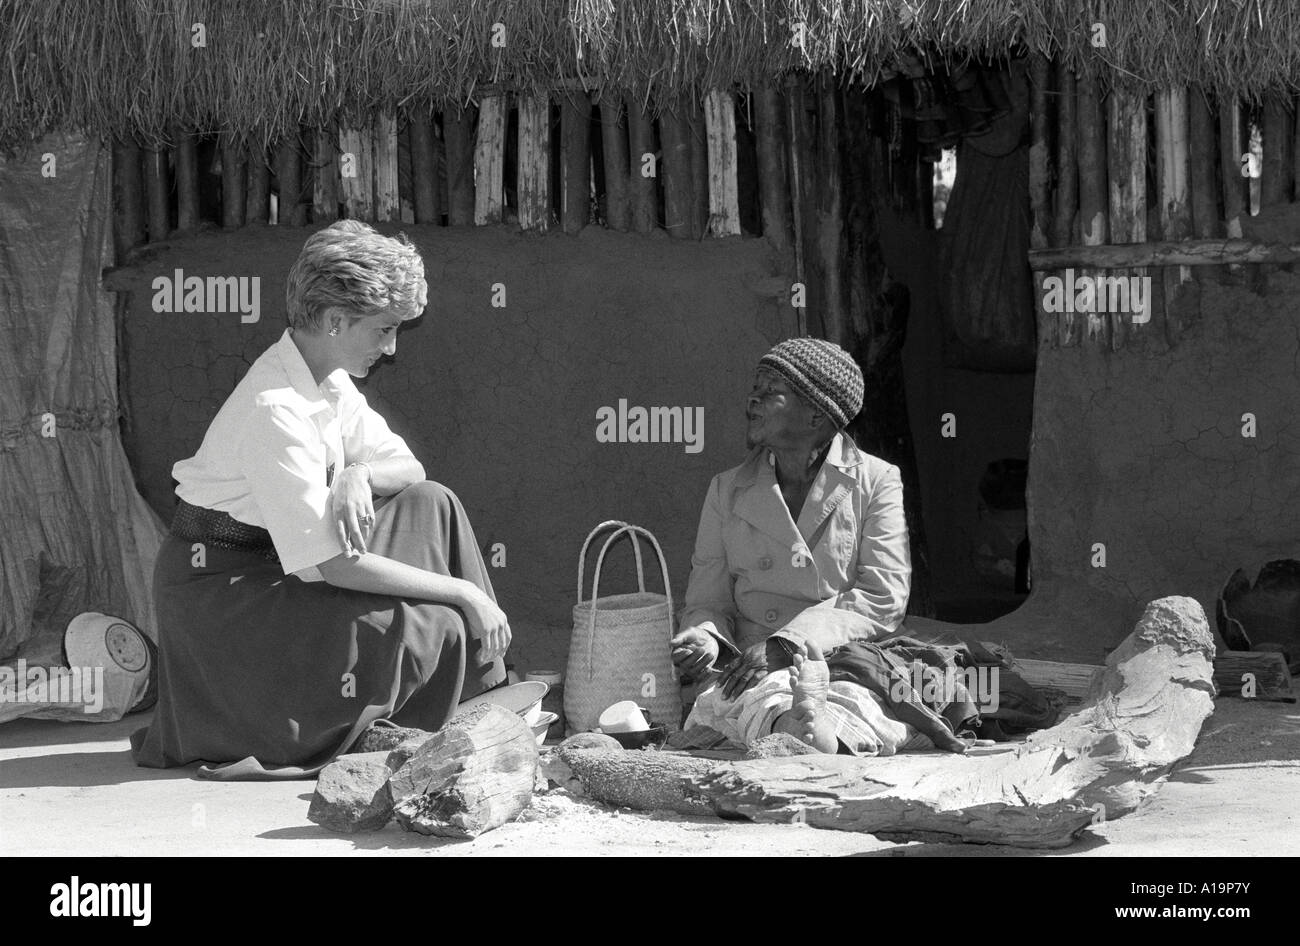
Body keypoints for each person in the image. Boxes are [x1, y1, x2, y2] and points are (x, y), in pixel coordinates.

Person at [130, 220, 510, 779]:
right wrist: (464, 593)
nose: (392, 346)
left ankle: (479, 690)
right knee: (440, 623)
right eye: (384, 330)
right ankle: (415, 709)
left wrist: (357, 471)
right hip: (230, 596)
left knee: (433, 502)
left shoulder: (327, 377)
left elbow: (410, 468)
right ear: (335, 321)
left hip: (291, 564)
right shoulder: (275, 407)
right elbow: (328, 565)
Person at [669, 337, 919, 754]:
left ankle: (806, 725)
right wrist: (706, 638)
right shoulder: (726, 490)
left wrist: (788, 644)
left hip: (840, 654)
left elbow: (883, 596)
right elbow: (707, 600)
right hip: (749, 665)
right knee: (748, 698)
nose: (754, 399)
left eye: (771, 392)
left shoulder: (875, 481)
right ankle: (793, 724)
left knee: (862, 698)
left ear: (816, 414)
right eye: (755, 388)